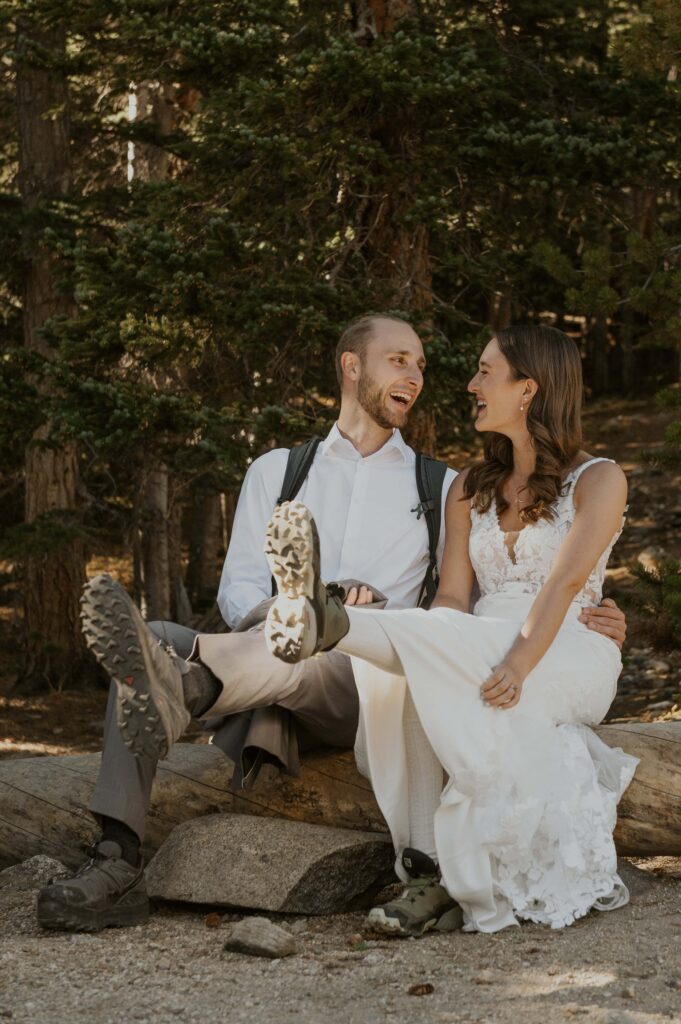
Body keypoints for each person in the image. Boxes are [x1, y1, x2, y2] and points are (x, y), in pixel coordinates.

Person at [36, 316, 626, 933]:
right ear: (352, 367)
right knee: (152, 638)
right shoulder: (278, 471)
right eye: (401, 360)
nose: (421, 377)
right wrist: (283, 611)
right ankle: (116, 856)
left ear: (528, 389)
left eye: (423, 365)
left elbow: (522, 592)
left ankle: (232, 666)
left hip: (365, 675)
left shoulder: (441, 484)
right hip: (271, 654)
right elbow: (239, 588)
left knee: (346, 649)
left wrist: (600, 619)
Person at [263, 324, 638, 936]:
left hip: (565, 648)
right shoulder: (469, 488)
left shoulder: (599, 479)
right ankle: (425, 872)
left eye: (486, 372)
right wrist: (437, 648)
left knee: (434, 655)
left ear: (528, 390)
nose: (470, 384)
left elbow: (565, 585)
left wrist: (516, 664)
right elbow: (456, 596)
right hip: (475, 639)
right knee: (408, 673)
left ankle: (330, 623)